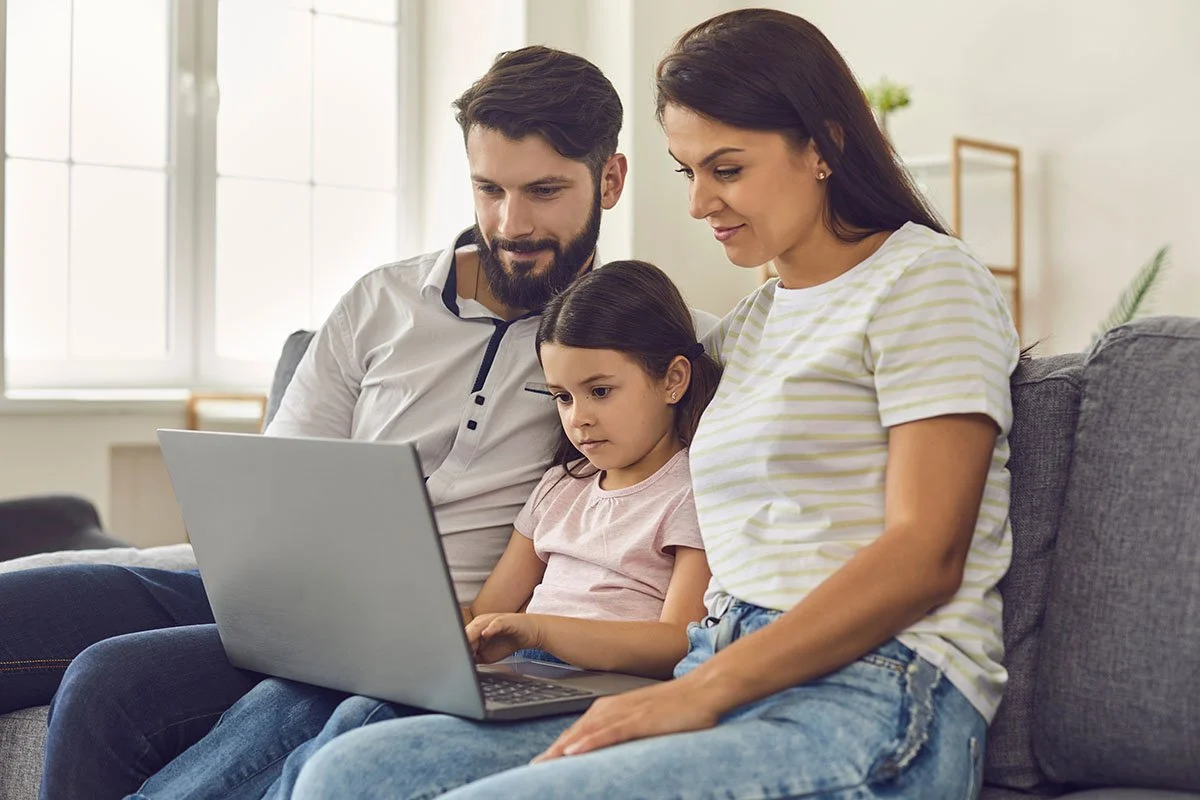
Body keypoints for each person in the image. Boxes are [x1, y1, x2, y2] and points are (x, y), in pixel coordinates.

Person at [289, 9, 1022, 799]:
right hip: (722, 666)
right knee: (352, 773)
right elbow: (612, 391)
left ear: (825, 145)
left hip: (875, 687)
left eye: (728, 169)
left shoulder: (927, 281)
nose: (700, 203)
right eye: (687, 172)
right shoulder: (749, 329)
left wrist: (703, 688)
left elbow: (925, 555)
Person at [0, 45, 637, 800]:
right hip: (273, 591)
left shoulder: (637, 351)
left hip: (426, 634)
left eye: (544, 191)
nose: (511, 223)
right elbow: (279, 478)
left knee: (109, 681)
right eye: (489, 189)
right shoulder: (383, 300)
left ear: (610, 179)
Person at [125, 260, 722, 800]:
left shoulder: (691, 490)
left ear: (673, 380)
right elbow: (492, 607)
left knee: (362, 722)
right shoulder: (561, 486)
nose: (579, 418)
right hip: (521, 672)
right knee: (296, 701)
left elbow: (676, 643)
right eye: (562, 397)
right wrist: (425, 644)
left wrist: (535, 628)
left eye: (600, 391)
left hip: (599, 687)